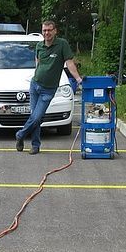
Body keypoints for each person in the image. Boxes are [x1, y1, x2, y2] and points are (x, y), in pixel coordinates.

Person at [15, 19, 83, 155]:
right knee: (36, 117)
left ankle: (20, 135)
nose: (47, 33)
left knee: (36, 117)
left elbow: (69, 63)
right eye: (44, 30)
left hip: (48, 90)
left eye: (49, 30)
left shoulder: (62, 45)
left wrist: (78, 79)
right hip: (35, 85)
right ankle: (35, 145)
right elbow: (38, 63)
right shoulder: (39, 46)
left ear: (55, 31)